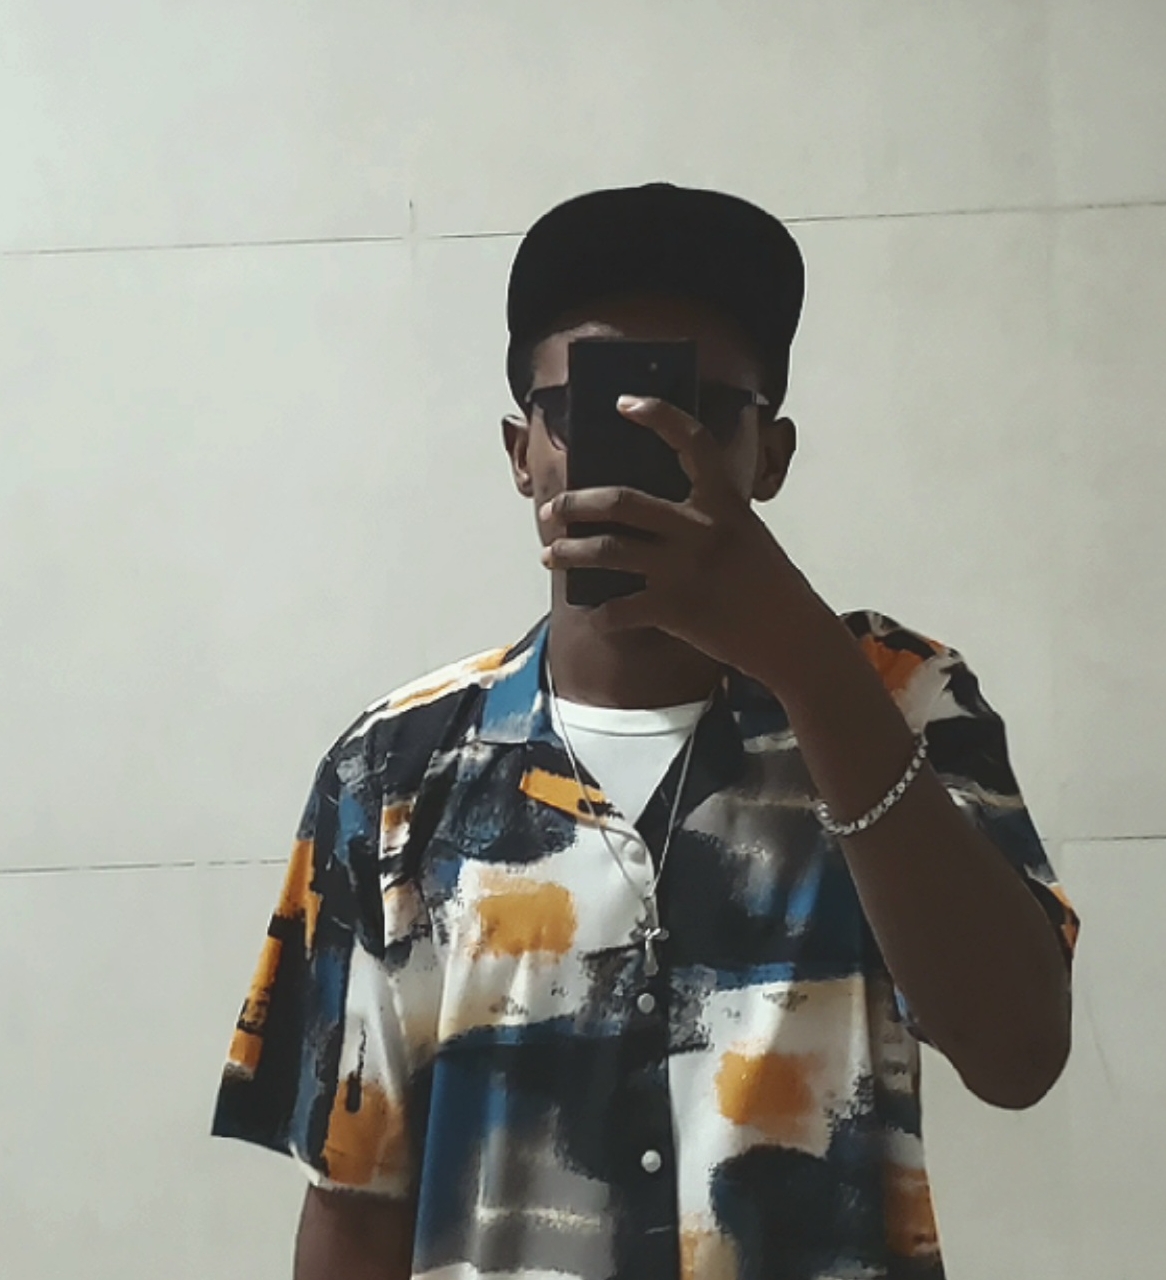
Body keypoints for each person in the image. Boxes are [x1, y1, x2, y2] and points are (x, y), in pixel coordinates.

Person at [213, 181, 1078, 1280]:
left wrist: (805, 662)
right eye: (586, 408)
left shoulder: (899, 699)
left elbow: (1016, 1053)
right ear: (520, 451)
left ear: (771, 454)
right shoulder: (394, 771)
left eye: (695, 408)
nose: (644, 442)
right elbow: (354, 1198)